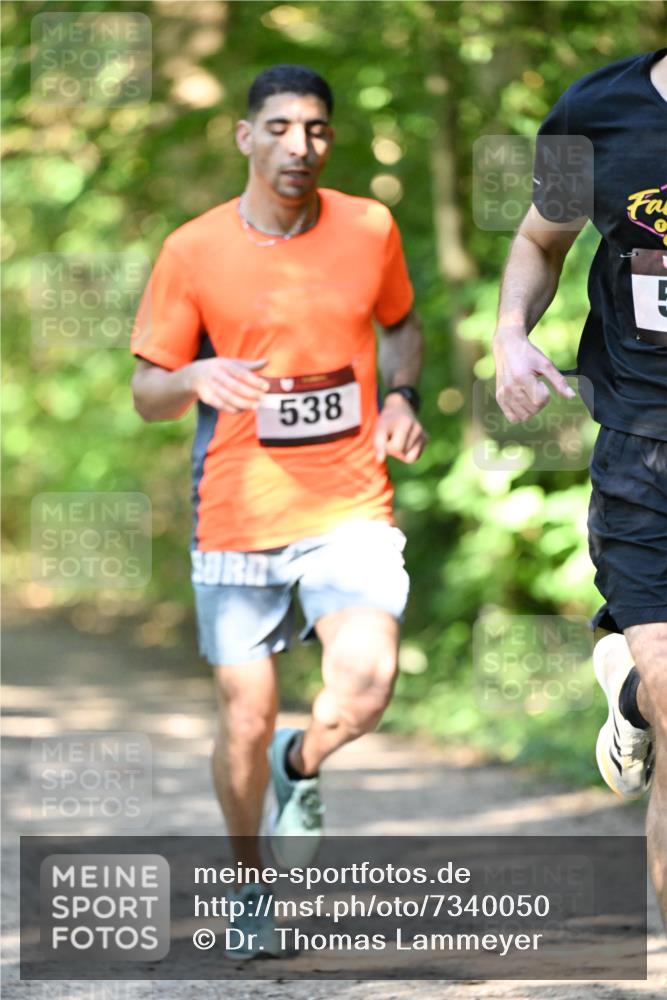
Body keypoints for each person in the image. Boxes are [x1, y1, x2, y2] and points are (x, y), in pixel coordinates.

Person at [130, 64, 426, 956]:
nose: (300, 146)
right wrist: (193, 374)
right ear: (245, 136)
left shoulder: (368, 227)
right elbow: (147, 392)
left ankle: (303, 761)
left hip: (349, 504)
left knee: (366, 684)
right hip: (237, 513)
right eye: (280, 128)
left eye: (317, 129)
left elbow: (400, 323)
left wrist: (401, 396)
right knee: (245, 718)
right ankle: (249, 886)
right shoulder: (192, 250)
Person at [493, 48, 667, 928]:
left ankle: (633, 694)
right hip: (644, 446)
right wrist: (509, 333)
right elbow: (540, 237)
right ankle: (646, 689)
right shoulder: (595, 110)